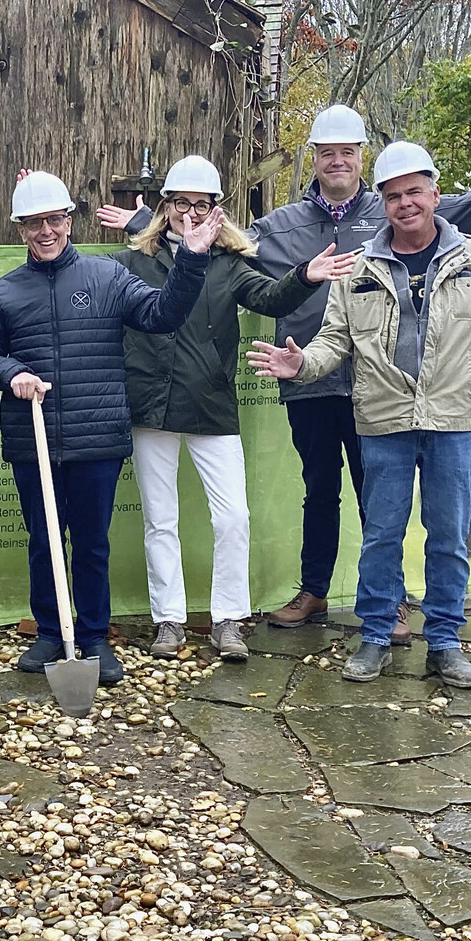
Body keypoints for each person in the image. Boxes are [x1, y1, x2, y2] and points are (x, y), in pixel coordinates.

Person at [100, 105, 471, 643]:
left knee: (379, 500)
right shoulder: (280, 226)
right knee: (319, 490)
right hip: (311, 375)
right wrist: (147, 224)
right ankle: (313, 591)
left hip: (383, 388)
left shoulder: (394, 207)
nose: (337, 161)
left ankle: (392, 603)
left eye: (347, 152)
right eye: (326, 152)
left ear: (361, 158)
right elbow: (209, 243)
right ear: (313, 158)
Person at [247, 142, 471, 687]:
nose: (405, 204)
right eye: (393, 196)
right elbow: (334, 342)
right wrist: (301, 364)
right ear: (382, 203)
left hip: (452, 421)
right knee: (382, 534)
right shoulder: (357, 269)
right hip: (383, 422)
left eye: (414, 192)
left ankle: (446, 642)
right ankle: (376, 636)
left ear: (435, 194)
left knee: (448, 535)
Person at [0, 170, 219, 687]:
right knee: (44, 539)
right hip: (31, 440)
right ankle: (51, 633)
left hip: (96, 438)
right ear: (20, 230)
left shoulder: (106, 277)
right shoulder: (6, 292)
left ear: (69, 222)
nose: (45, 231)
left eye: (54, 219)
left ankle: (95, 637)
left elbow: (162, 314)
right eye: (33, 223)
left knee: (92, 543)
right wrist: (11, 374)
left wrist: (190, 259)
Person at [107, 156, 356, 662]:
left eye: (203, 205)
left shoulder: (228, 265)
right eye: (182, 204)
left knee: (233, 518)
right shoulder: (132, 263)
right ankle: (169, 621)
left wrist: (305, 275)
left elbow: (269, 296)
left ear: (217, 211)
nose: (191, 214)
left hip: (211, 404)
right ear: (166, 207)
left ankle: (227, 620)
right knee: (159, 519)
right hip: (149, 405)